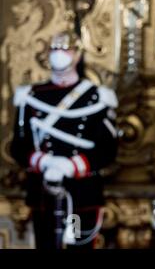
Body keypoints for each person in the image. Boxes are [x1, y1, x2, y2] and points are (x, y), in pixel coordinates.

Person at [10, 29, 119, 249]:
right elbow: (18, 147)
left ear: (77, 54)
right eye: (55, 49)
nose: (59, 54)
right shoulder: (31, 96)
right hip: (44, 192)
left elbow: (108, 149)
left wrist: (73, 165)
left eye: (65, 49)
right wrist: (43, 162)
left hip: (83, 194)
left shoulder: (97, 96)